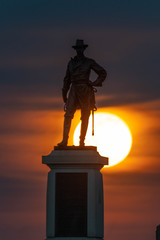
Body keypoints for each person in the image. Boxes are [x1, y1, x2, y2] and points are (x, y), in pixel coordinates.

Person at [58, 39, 107, 147]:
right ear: (76, 50)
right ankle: (64, 140)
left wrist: (95, 83)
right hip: (73, 90)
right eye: (77, 48)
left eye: (81, 48)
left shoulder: (89, 62)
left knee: (85, 115)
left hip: (85, 90)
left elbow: (102, 72)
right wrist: (64, 94)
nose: (79, 50)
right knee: (68, 115)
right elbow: (66, 79)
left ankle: (81, 142)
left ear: (83, 49)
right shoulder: (71, 63)